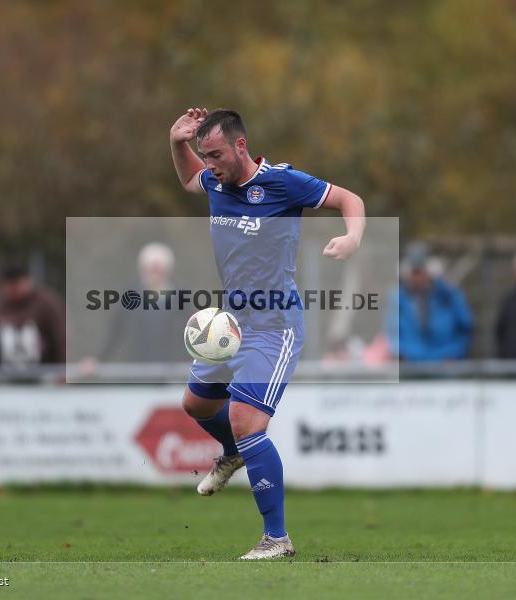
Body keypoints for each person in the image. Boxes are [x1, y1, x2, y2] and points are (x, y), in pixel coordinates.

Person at [170, 108, 365, 559]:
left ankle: (276, 538)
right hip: (233, 321)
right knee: (196, 403)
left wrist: (352, 237)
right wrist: (177, 144)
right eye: (205, 155)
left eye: (215, 154)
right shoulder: (215, 181)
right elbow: (187, 181)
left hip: (274, 325)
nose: (210, 164)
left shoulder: (282, 182)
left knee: (247, 421)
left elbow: (349, 199)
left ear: (241, 145)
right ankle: (232, 452)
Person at [384, 242, 474, 362]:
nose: (418, 277)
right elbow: (392, 333)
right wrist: (403, 355)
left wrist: (453, 354)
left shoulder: (449, 296)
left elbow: (465, 330)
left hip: (445, 368)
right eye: (415, 272)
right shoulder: (398, 299)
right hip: (410, 369)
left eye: (421, 271)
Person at [0, 262, 66, 367]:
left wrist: (63, 368)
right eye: (10, 285)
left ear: (28, 281)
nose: (14, 289)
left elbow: (61, 337)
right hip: (6, 370)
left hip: (44, 370)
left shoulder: (46, 302)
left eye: (17, 283)